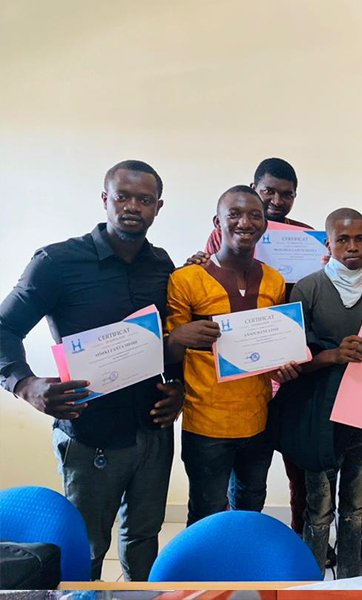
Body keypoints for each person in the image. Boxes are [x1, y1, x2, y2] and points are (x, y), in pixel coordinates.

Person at [0, 160, 183, 581]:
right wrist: (25, 384)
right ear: (105, 199)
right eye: (123, 196)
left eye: (144, 199)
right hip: (91, 432)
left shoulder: (162, 265)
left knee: (144, 538)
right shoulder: (56, 262)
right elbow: (5, 327)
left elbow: (169, 337)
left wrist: (178, 386)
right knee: (86, 548)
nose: (132, 206)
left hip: (153, 429)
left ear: (158, 207)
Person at [165, 185, 299, 525]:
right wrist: (178, 337)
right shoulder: (185, 279)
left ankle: (243, 562)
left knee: (250, 509)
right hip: (206, 423)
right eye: (234, 214)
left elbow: (272, 349)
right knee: (206, 515)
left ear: (265, 223)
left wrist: (282, 367)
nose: (245, 222)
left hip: (257, 419)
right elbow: (168, 353)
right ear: (217, 222)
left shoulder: (274, 281)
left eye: (255, 215)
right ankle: (205, 564)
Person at [288, 208, 362, 578]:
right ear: (328, 243)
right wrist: (332, 355)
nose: (352, 246)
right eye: (343, 239)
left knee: (355, 510)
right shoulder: (308, 288)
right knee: (318, 512)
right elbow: (293, 360)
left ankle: (351, 580)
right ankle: (311, 582)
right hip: (319, 418)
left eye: (360, 238)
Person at [204, 157, 312, 255]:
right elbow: (209, 268)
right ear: (253, 189)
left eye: (286, 195)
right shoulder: (225, 233)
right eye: (268, 191)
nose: (277, 202)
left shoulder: (307, 235)